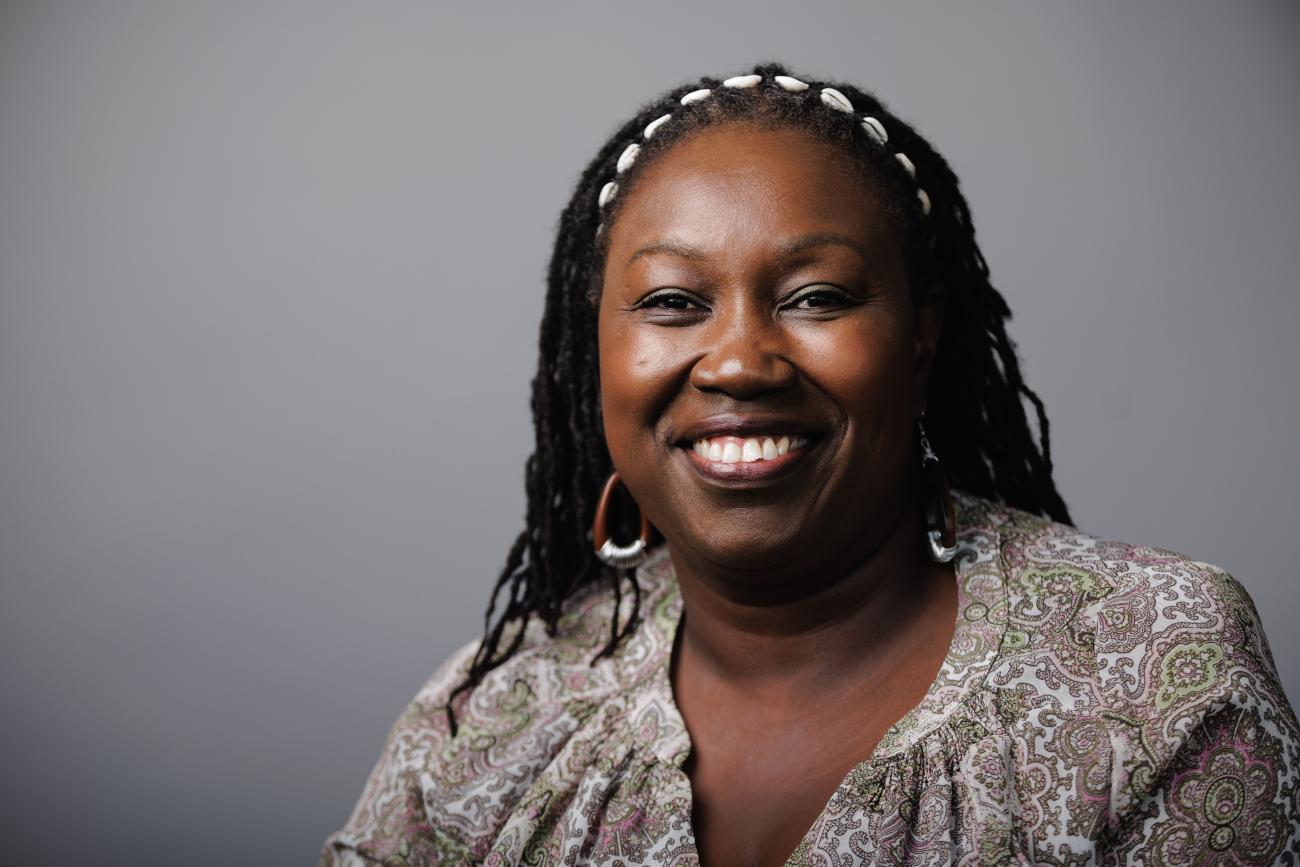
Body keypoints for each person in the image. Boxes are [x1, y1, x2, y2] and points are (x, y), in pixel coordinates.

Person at [321, 63, 1299, 866]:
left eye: (816, 296)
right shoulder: (488, 720)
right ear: (597, 355)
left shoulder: (1147, 671)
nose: (741, 362)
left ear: (919, 338)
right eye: (672, 302)